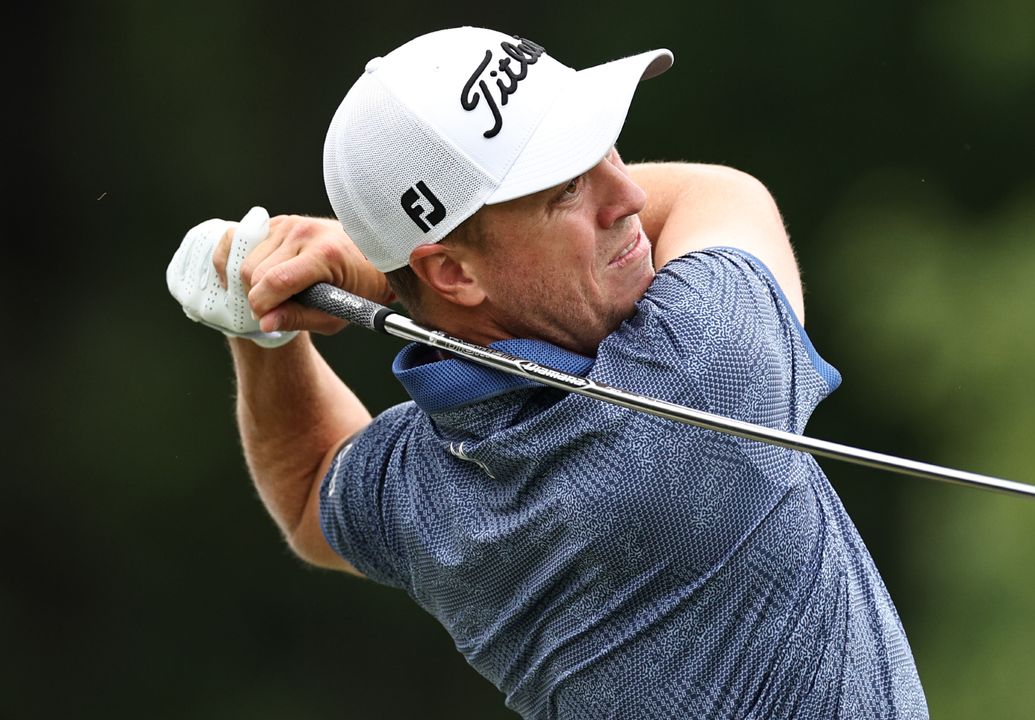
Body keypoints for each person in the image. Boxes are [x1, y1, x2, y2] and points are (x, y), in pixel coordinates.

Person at [167, 26, 928, 719]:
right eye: (568, 187)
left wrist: (263, 332)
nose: (628, 196)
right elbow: (718, 194)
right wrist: (367, 261)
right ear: (456, 275)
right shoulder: (701, 371)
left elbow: (307, 493)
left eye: (605, 151)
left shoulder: (425, 495)